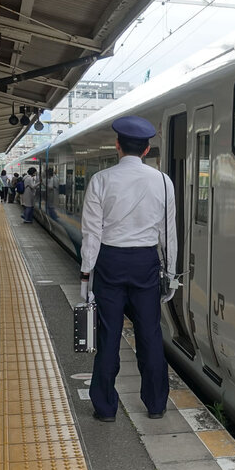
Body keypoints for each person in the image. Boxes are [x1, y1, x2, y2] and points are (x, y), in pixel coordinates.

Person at [80, 115, 176, 423]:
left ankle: (105, 408)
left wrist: (86, 274)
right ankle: (156, 404)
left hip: (109, 262)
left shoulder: (101, 180)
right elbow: (168, 233)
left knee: (108, 336)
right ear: (147, 150)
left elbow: (92, 234)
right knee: (149, 333)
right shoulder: (163, 181)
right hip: (146, 263)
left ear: (117, 146)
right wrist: (170, 275)